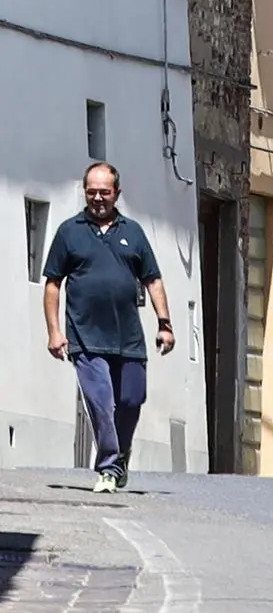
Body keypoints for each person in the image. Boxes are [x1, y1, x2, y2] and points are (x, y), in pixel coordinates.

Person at [43, 162, 176, 494]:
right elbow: (53, 284)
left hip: (129, 338)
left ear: (117, 193)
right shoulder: (69, 231)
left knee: (131, 400)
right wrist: (55, 331)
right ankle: (108, 467)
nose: (98, 198)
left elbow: (153, 279)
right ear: (84, 192)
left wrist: (165, 324)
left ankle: (121, 455)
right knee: (101, 402)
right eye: (91, 192)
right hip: (85, 337)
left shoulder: (133, 232)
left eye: (104, 192)